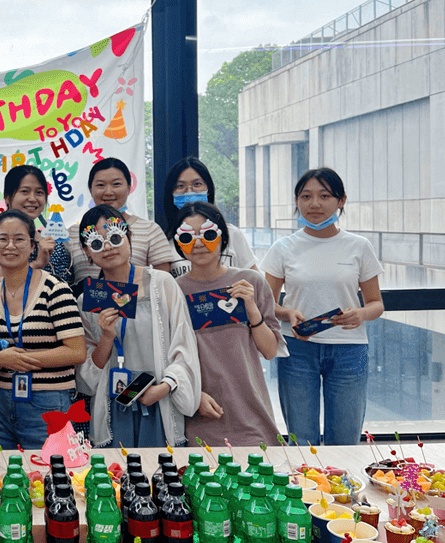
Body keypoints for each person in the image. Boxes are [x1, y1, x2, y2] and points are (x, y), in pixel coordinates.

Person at [260, 167, 384, 446]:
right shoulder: (283, 248)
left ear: (341, 201)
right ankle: (305, 478)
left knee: (345, 439)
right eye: (306, 196)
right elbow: (266, 303)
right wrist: (287, 313)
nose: (314, 204)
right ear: (297, 201)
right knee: (302, 439)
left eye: (324, 196)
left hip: (349, 350)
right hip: (298, 348)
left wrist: (360, 313)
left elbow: (376, 304)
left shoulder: (359, 246)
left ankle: (342, 478)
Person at [73, 205, 200, 448]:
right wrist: (106, 337)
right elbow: (87, 375)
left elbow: (184, 343)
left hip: (158, 398)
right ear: (86, 250)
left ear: (128, 237)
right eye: (97, 243)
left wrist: (165, 387)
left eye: (114, 238)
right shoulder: (88, 300)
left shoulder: (162, 284)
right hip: (112, 404)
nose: (108, 247)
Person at [171, 202, 281, 446]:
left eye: (208, 235)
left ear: (222, 237)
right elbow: (169, 358)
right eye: (188, 237)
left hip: (251, 415)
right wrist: (193, 395)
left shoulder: (251, 282)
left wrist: (252, 310)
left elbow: (270, 350)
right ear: (179, 243)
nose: (198, 244)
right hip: (199, 415)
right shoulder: (173, 291)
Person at [0, 209, 86, 449]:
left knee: (50, 469)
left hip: (48, 402)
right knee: (2, 469)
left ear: (32, 246)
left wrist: (19, 359)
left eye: (19, 239)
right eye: (3, 239)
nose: (10, 246)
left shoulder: (55, 289)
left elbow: (77, 352)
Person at [69, 158, 175, 284]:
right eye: (100, 185)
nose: (108, 192)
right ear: (90, 190)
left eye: (116, 184)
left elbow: (162, 283)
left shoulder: (150, 230)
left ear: (129, 188)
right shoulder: (72, 234)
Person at [0, 165, 72, 288]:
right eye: (25, 191)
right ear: (7, 198)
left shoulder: (54, 243)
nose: (33, 199)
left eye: (39, 192)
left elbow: (64, 287)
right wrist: (37, 264)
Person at [162, 157, 259, 280]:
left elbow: (256, 281)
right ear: (171, 192)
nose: (189, 191)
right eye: (180, 186)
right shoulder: (164, 241)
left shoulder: (231, 233)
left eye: (197, 184)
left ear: (208, 189)